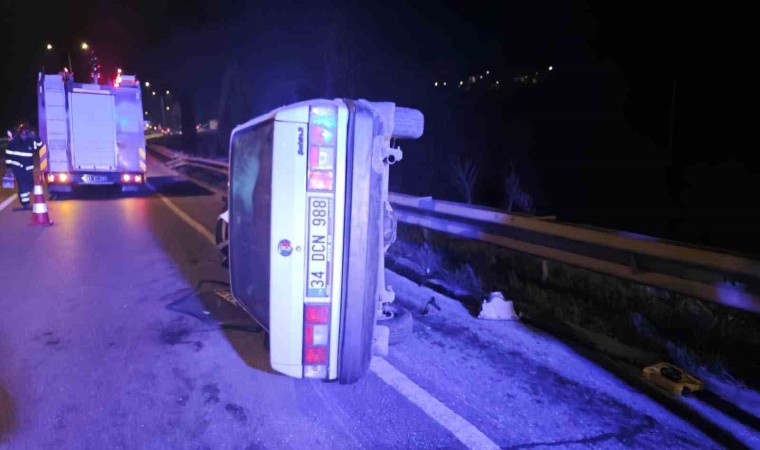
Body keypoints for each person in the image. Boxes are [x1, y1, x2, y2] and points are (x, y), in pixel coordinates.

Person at [4, 123, 43, 210]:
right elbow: (8, 155)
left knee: (30, 185)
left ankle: (24, 197)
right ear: (20, 134)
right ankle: (26, 204)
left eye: (26, 134)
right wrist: (9, 168)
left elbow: (39, 146)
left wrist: (36, 137)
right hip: (18, 168)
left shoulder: (30, 141)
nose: (24, 136)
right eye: (23, 134)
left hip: (28, 169)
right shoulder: (13, 142)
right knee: (23, 186)